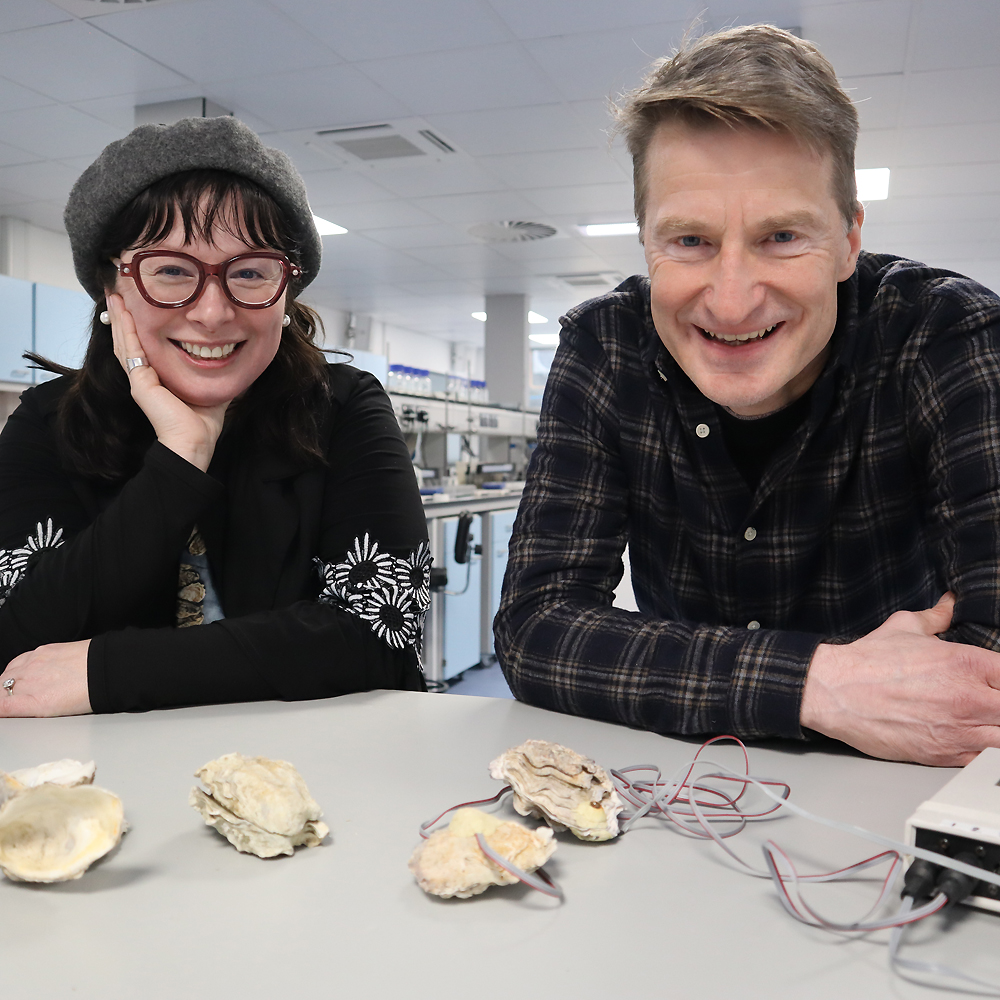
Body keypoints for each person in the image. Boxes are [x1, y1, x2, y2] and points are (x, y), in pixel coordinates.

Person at [495, 24, 1000, 768]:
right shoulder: (604, 350)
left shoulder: (947, 336)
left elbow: (986, 669)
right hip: (689, 786)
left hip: (897, 773)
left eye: (783, 236)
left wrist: (704, 674)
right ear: (645, 241)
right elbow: (537, 629)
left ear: (850, 240)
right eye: (690, 241)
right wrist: (815, 683)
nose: (731, 303)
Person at [0, 116, 430, 718]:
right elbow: (15, 647)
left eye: (249, 272)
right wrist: (180, 458)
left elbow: (380, 636)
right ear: (109, 290)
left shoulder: (343, 406)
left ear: (286, 290)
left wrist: (105, 670)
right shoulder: (46, 421)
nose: (211, 312)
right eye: (171, 270)